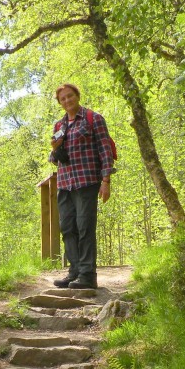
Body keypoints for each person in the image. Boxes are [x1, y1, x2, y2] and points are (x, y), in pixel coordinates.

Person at [49, 83, 115, 290]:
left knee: (85, 227)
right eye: (63, 99)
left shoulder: (93, 118)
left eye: (70, 96)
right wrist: (56, 151)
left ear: (77, 96)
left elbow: (105, 151)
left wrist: (106, 181)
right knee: (68, 227)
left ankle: (87, 275)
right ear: (60, 103)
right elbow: (55, 159)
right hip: (65, 183)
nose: (67, 101)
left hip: (87, 181)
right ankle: (74, 272)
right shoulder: (59, 126)